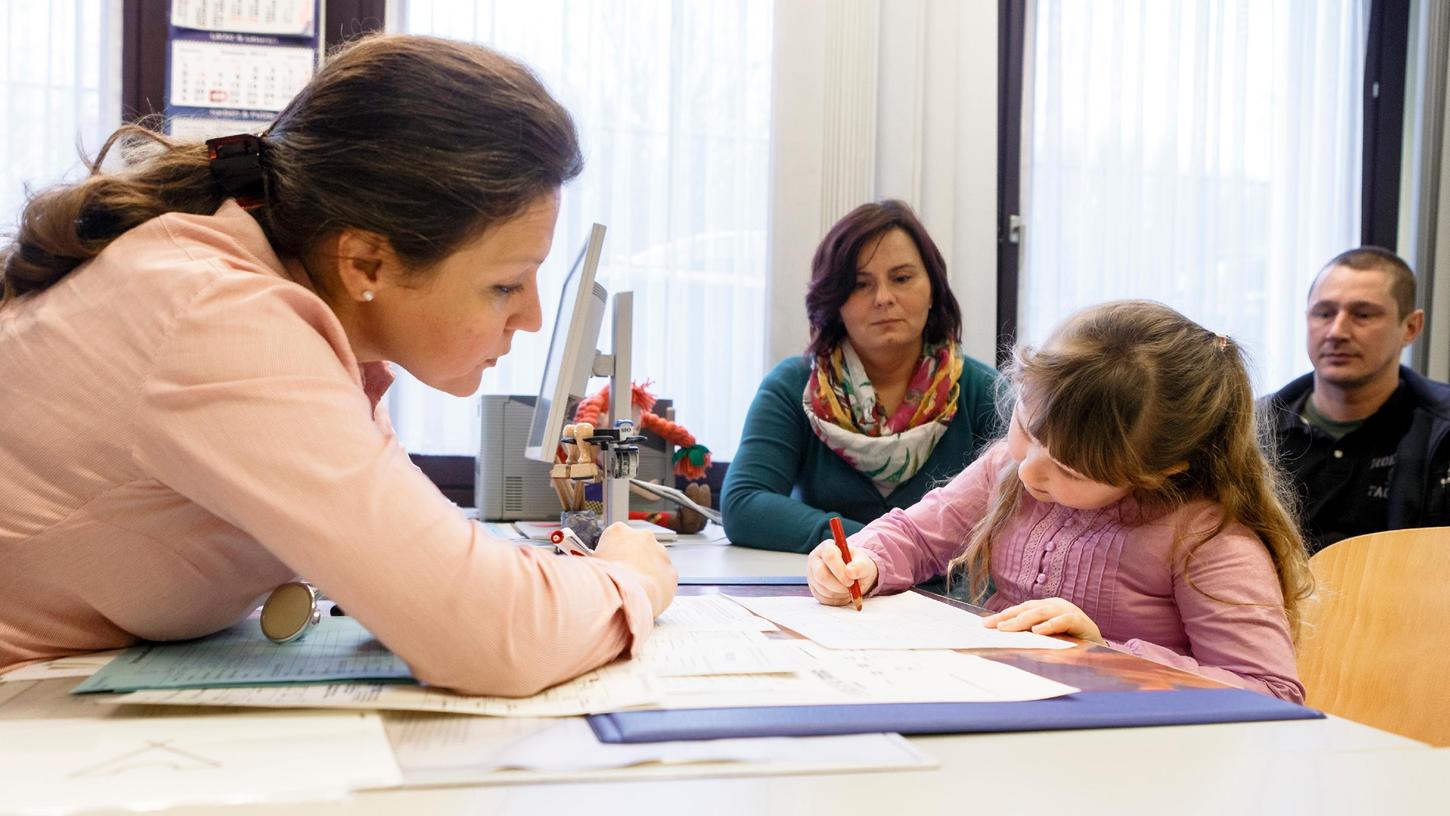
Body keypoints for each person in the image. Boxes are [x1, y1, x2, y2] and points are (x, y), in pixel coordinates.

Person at [0, 35, 676, 695]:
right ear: (366, 263)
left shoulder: (284, 317)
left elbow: (429, 572)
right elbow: (491, 633)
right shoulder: (218, 316)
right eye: (505, 283)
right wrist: (633, 578)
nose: (530, 316)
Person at [806, 300, 1313, 702]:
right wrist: (864, 562)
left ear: (1159, 471)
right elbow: (917, 535)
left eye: (1070, 469)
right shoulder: (1010, 465)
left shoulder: (1205, 538)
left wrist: (1103, 654)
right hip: (1001, 710)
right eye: (1026, 428)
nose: (1028, 469)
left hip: (1137, 765)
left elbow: (1272, 693)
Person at [722, 200, 1000, 554]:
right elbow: (744, 504)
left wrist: (898, 553)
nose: (883, 298)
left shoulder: (983, 392)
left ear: (933, 288)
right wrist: (876, 545)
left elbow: (1021, 516)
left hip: (947, 598)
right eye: (860, 284)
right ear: (835, 301)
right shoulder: (792, 387)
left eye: (901, 278)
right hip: (830, 591)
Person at [1263, 247, 1449, 554]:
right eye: (1324, 313)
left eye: (1363, 315)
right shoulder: (1251, 431)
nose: (1337, 331)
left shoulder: (1441, 436)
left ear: (1411, 327)